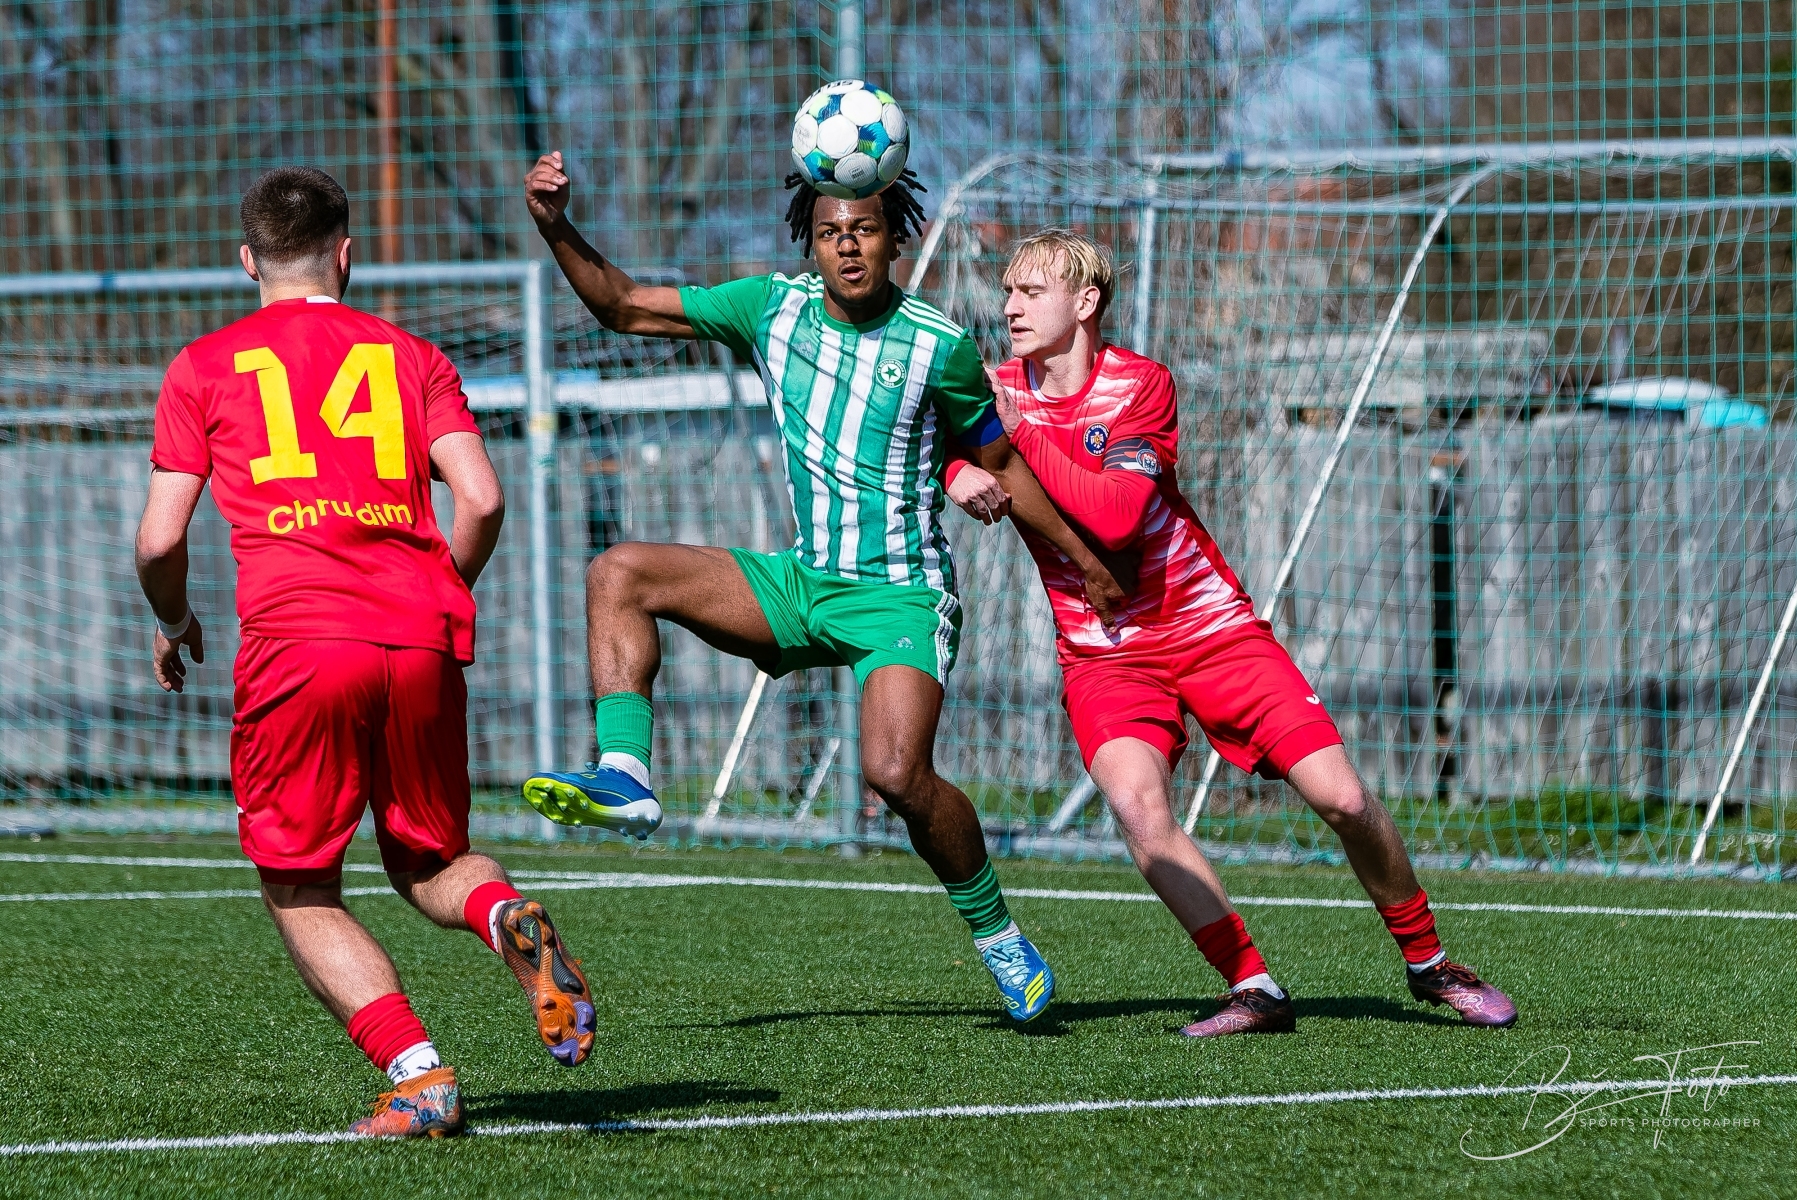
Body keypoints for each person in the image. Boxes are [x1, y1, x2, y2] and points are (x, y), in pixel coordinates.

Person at [518, 152, 1134, 1023]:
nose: (847, 249)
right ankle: (626, 771)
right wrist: (556, 226)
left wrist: (1086, 558)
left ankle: (998, 935)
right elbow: (622, 305)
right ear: (810, 243)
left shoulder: (939, 344)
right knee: (618, 573)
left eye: (865, 231)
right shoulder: (771, 307)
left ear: (895, 238)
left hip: (900, 597)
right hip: (803, 582)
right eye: (830, 234)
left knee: (896, 773)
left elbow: (1000, 462)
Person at [945, 228, 1516, 1036]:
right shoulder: (993, 389)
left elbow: (1114, 515)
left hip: (1210, 628)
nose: (1010, 307)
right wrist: (960, 469)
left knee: (1344, 798)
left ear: (1085, 302)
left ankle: (1428, 963)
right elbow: (938, 448)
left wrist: (1017, 438)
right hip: (1105, 652)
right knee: (1139, 811)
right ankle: (1254, 987)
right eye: (1008, 292)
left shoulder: (1140, 384)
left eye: (1031, 291)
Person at [136, 166, 601, 1138]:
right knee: (433, 857)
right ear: (346, 254)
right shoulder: (412, 355)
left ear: (246, 260)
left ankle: (420, 1076)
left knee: (298, 883)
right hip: (418, 638)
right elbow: (480, 498)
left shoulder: (205, 366)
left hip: (299, 643)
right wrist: (439, 594)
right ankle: (506, 916)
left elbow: (159, 540)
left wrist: (177, 624)